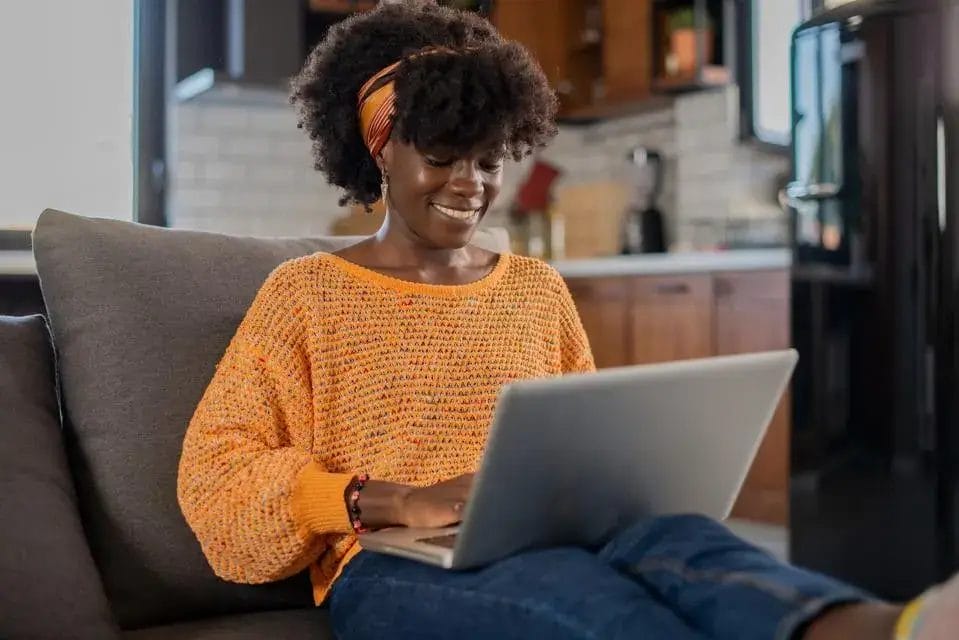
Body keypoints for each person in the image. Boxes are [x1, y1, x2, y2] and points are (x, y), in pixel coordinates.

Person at [176, 2, 957, 638]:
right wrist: (388, 499)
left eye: (487, 158)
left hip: (555, 530)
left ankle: (893, 627)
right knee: (582, 595)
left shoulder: (536, 290)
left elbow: (583, 446)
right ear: (380, 150)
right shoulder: (306, 293)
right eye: (443, 155)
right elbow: (216, 478)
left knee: (682, 543)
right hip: (386, 565)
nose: (470, 184)